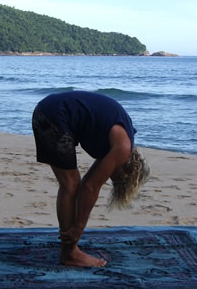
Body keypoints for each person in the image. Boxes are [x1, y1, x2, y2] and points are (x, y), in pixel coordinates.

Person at [31, 91, 150, 267]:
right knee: (70, 184)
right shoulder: (122, 149)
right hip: (55, 116)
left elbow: (88, 183)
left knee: (72, 184)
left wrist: (78, 225)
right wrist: (78, 227)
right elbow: (91, 187)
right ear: (126, 173)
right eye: (117, 181)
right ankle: (69, 254)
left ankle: (69, 249)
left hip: (47, 110)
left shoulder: (121, 140)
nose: (111, 178)